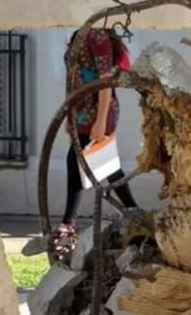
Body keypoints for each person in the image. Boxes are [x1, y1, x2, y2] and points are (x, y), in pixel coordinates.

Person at [56, 27, 138, 241]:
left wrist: (101, 120)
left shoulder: (98, 37)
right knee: (106, 166)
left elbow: (106, 80)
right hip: (82, 113)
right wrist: (70, 115)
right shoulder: (77, 35)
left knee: (81, 161)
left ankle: (68, 222)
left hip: (97, 112)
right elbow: (74, 80)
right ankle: (133, 213)